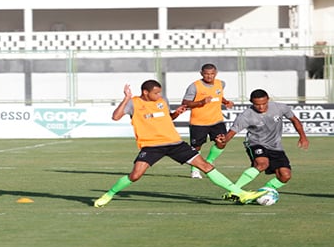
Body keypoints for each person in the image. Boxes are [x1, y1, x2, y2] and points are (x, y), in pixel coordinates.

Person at [94, 80, 264, 208]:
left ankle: (239, 193)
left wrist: (176, 114)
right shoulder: (134, 103)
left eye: (160, 93)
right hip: (151, 146)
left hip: (175, 143)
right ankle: (109, 194)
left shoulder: (162, 101)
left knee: (205, 165)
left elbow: (167, 118)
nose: (159, 96)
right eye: (155, 93)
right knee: (135, 175)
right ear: (145, 92)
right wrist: (126, 98)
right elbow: (115, 117)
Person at [216, 89, 309, 195]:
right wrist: (224, 139)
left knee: (285, 176)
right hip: (255, 143)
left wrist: (303, 136)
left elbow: (295, 120)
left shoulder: (280, 108)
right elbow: (231, 133)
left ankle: (263, 192)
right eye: (257, 104)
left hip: (276, 146)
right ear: (251, 102)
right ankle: (234, 190)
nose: (261, 107)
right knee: (262, 164)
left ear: (268, 99)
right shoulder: (246, 116)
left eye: (264, 103)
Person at [181, 63, 234, 179]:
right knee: (197, 147)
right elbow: (185, 103)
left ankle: (209, 161)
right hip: (199, 122)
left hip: (217, 120)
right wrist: (201, 102)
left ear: (216, 73)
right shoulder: (194, 86)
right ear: (201, 73)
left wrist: (226, 102)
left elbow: (218, 96)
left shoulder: (221, 83)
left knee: (222, 142)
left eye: (212, 74)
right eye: (206, 74)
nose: (209, 76)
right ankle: (195, 170)